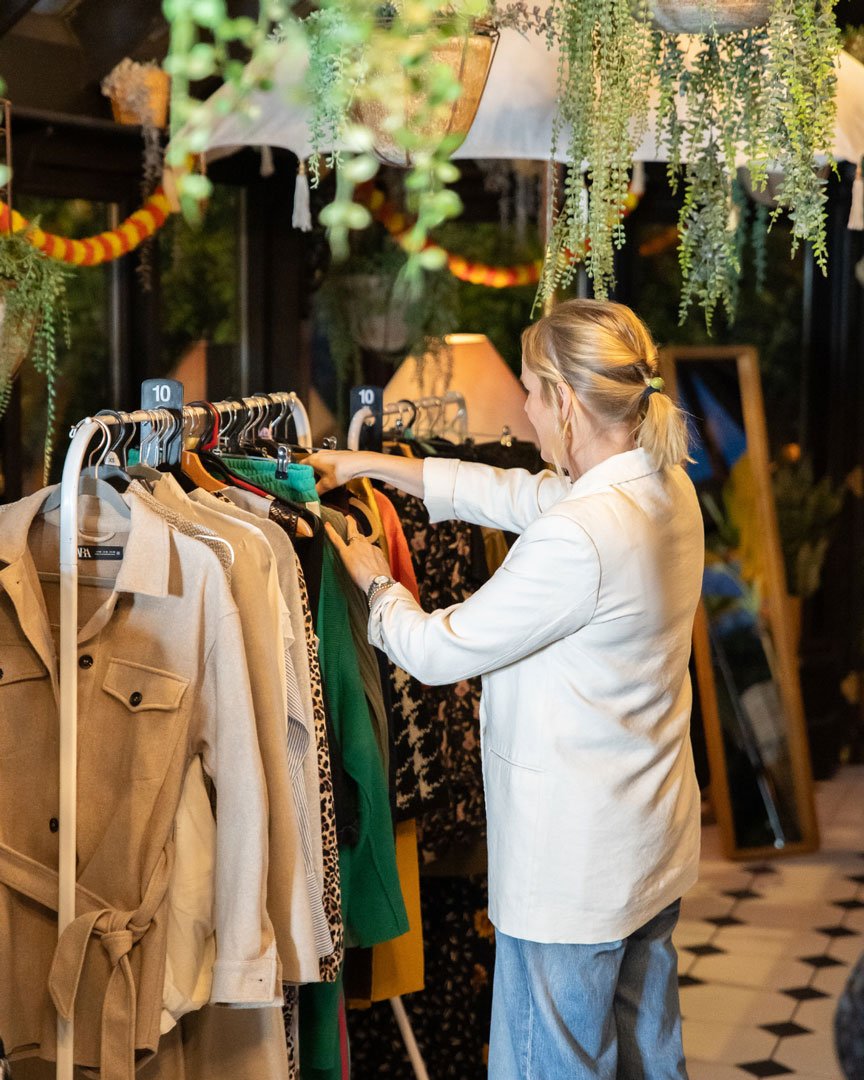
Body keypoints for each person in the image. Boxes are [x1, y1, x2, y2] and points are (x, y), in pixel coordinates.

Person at [306, 298, 705, 1079]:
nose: (521, 406)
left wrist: (376, 581)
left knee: (549, 1064)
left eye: (530, 387)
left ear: (563, 399)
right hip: (648, 840)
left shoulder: (583, 534)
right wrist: (375, 467)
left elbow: (434, 649)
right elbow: (516, 497)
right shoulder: (662, 486)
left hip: (574, 869)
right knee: (649, 1057)